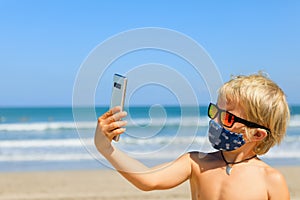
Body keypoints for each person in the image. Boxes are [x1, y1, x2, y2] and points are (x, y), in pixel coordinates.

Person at [94, 72, 290, 200]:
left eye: (228, 118)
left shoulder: (270, 180)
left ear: (257, 134)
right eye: (215, 112)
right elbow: (148, 180)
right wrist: (106, 148)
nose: (216, 122)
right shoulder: (196, 163)